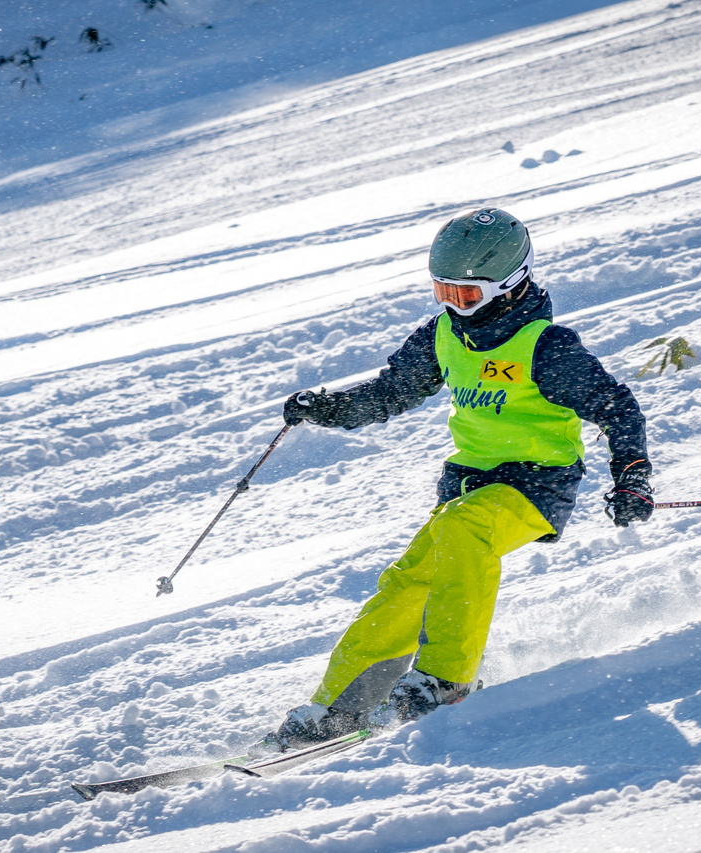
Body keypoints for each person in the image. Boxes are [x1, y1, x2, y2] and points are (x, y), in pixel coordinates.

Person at [260, 208, 653, 751]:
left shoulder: (545, 346)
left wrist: (632, 477)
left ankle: (447, 679)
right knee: (409, 582)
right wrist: (330, 409)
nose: (451, 306)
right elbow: (392, 391)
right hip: (467, 484)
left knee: (465, 530)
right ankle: (339, 706)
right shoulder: (444, 334)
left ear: (510, 283)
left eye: (465, 296)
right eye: (442, 292)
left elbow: (617, 407)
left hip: (536, 486)